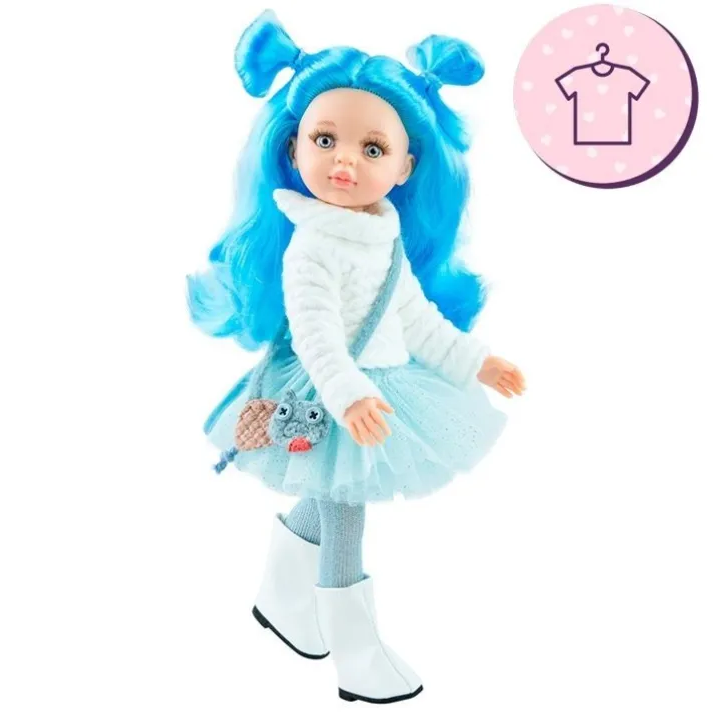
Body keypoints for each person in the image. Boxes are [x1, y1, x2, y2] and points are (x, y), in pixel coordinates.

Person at [187, 8, 527, 705]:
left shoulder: (384, 235)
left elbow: (416, 319)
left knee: (334, 493)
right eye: (326, 139)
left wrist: (475, 362)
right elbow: (316, 335)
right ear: (294, 149)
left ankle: (282, 596)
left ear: (405, 167)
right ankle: (356, 650)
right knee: (346, 510)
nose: (344, 160)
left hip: (382, 385)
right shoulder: (311, 244)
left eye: (372, 149)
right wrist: (348, 396)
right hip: (329, 391)